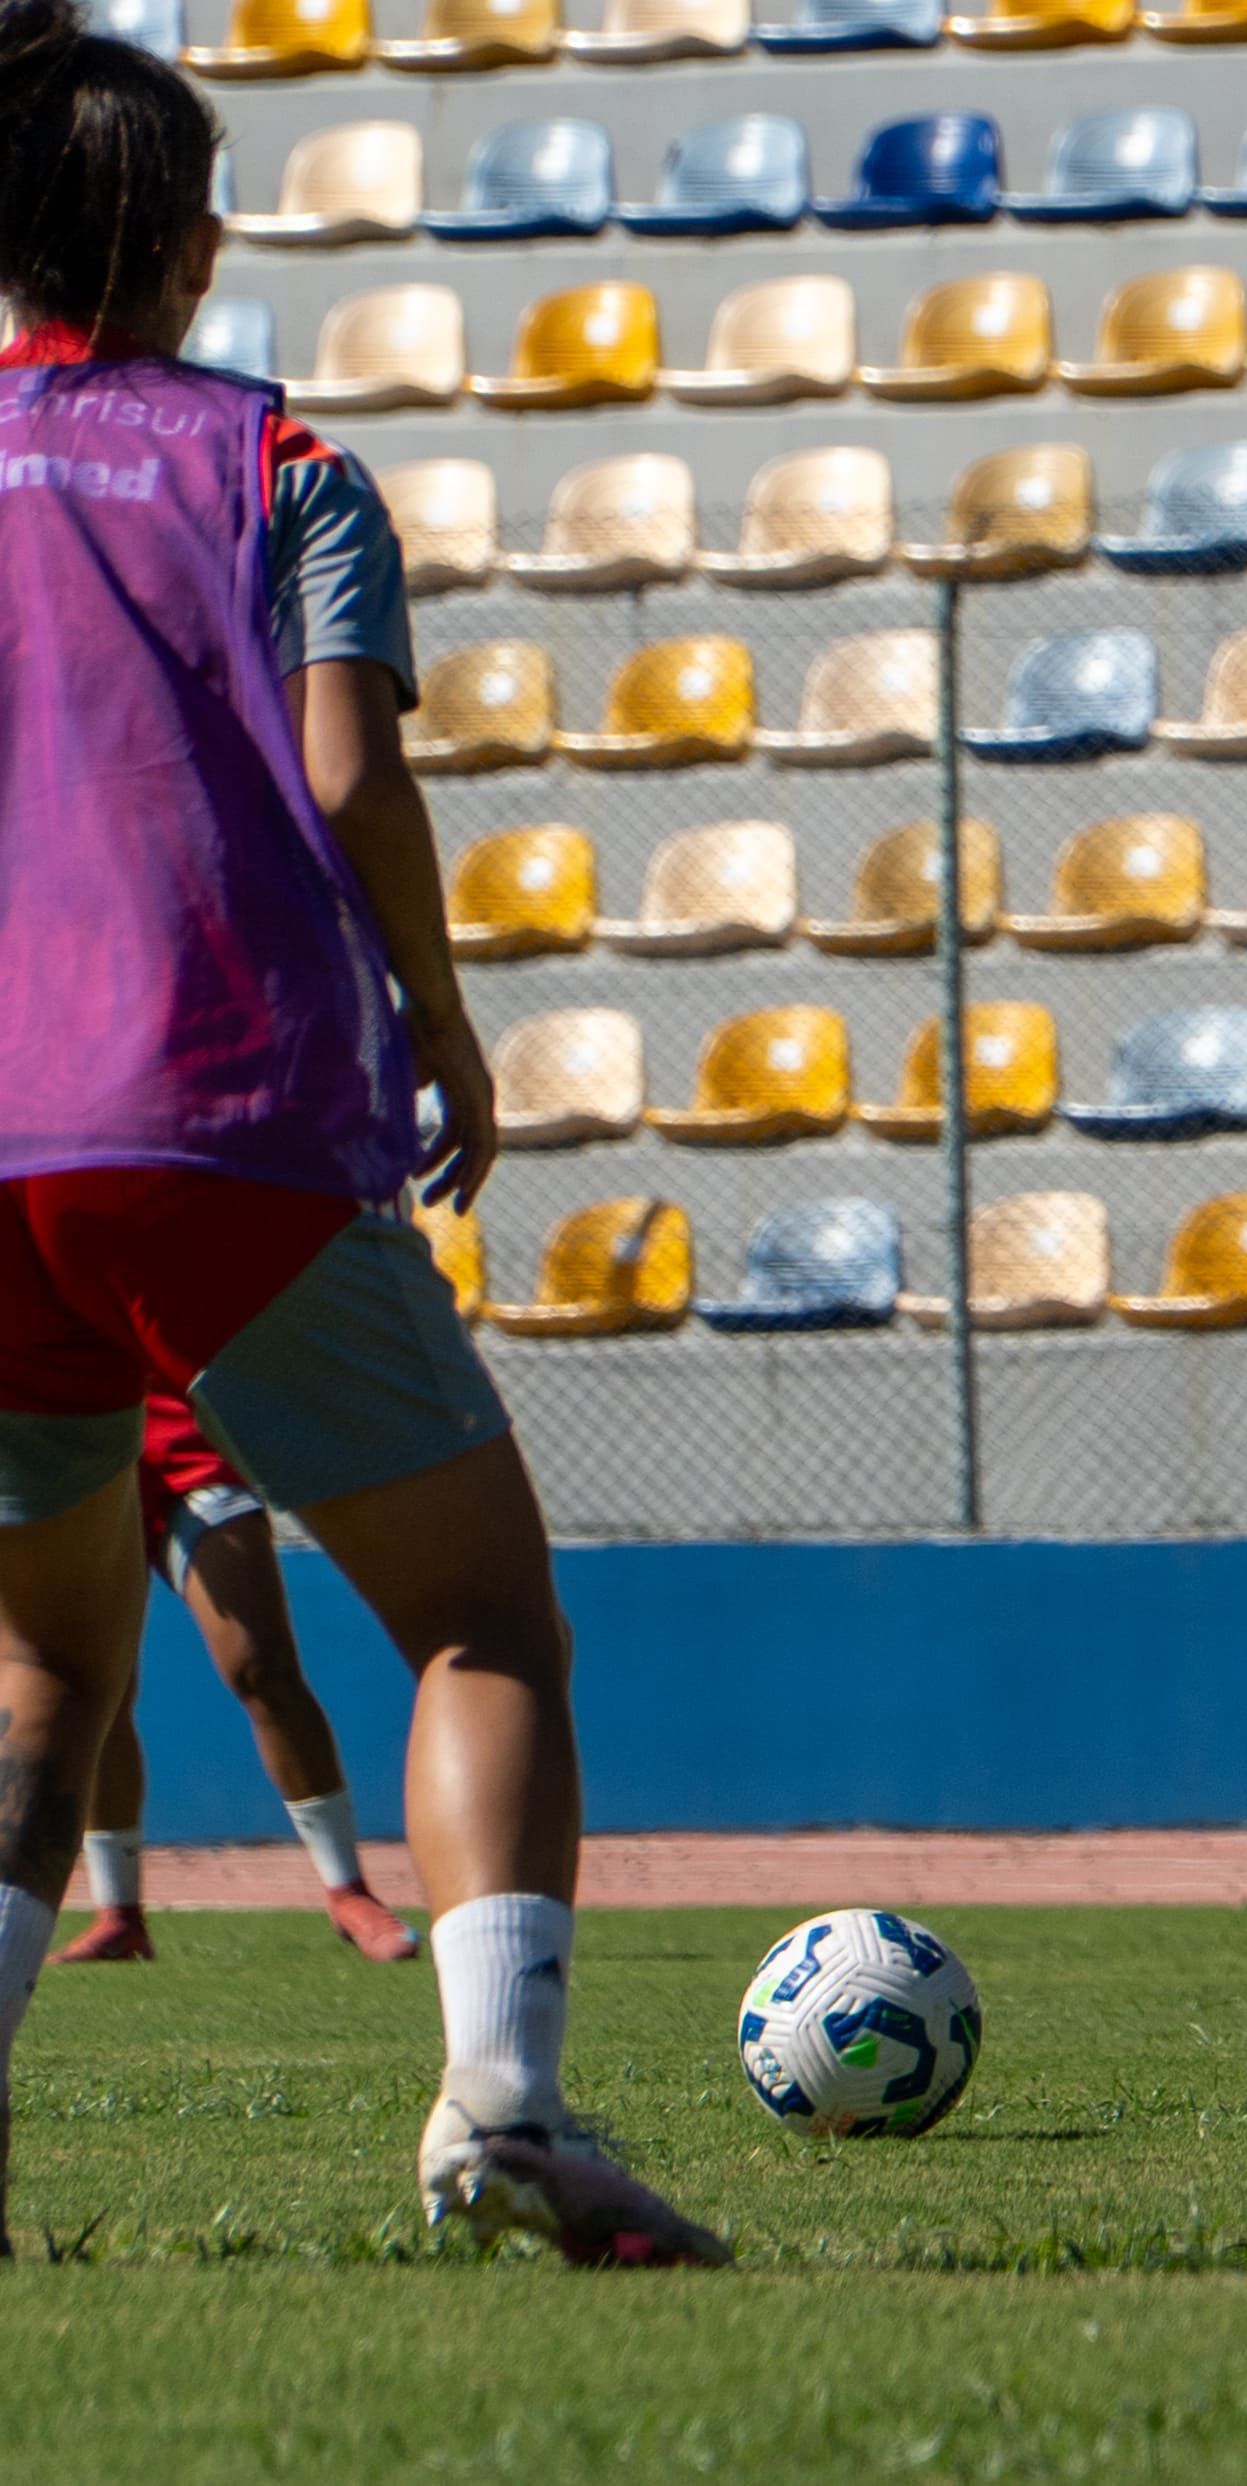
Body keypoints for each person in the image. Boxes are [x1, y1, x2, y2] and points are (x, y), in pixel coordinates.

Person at [0, 0, 722, 2262]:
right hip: (213, 1105)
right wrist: (445, 1021)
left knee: (42, 1668)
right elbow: (342, 771)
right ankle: (500, 2109)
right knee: (482, 1623)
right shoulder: (276, 460)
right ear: (192, 246)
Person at [55, 1387, 422, 1966]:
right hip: (74, 1461)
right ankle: (118, 1916)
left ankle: (349, 1892)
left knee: (260, 1666)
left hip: (185, 1454)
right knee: (97, 1690)